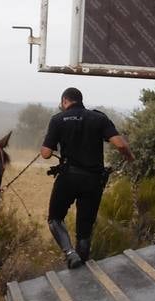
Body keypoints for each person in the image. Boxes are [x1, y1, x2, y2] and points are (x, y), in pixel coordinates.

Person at [40, 87, 132, 269]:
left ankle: (69, 253)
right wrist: (129, 156)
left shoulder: (58, 119)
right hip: (93, 181)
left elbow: (45, 154)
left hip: (68, 178)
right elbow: (120, 144)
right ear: (80, 100)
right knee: (85, 228)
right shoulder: (99, 118)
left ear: (65, 101)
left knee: (55, 218)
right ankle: (81, 262)